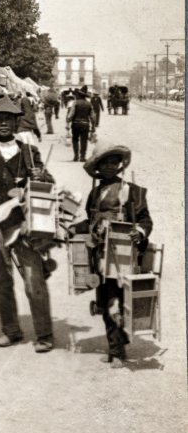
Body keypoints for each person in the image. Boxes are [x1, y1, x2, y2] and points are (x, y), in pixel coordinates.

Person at [0, 95, 56, 353]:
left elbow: (47, 182)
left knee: (33, 279)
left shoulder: (29, 152)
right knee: (2, 280)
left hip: (25, 225)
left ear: (16, 122)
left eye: (8, 119)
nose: (4, 123)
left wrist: (37, 180)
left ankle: (44, 334)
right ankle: (11, 330)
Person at [71, 142, 153, 363]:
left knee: (122, 300)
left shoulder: (132, 191)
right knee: (108, 301)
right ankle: (116, 348)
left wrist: (139, 231)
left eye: (113, 161)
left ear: (119, 165)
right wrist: (74, 228)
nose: (109, 166)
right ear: (98, 167)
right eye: (104, 162)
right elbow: (91, 220)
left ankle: (118, 344)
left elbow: (145, 219)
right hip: (100, 255)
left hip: (125, 255)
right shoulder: (95, 192)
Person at [66, 88, 95, 162]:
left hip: (76, 123)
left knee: (75, 139)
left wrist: (68, 122)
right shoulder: (89, 104)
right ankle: (82, 157)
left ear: (79, 95)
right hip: (85, 124)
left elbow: (71, 114)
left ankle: (76, 156)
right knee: (84, 140)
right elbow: (92, 116)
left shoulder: (75, 103)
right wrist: (93, 126)